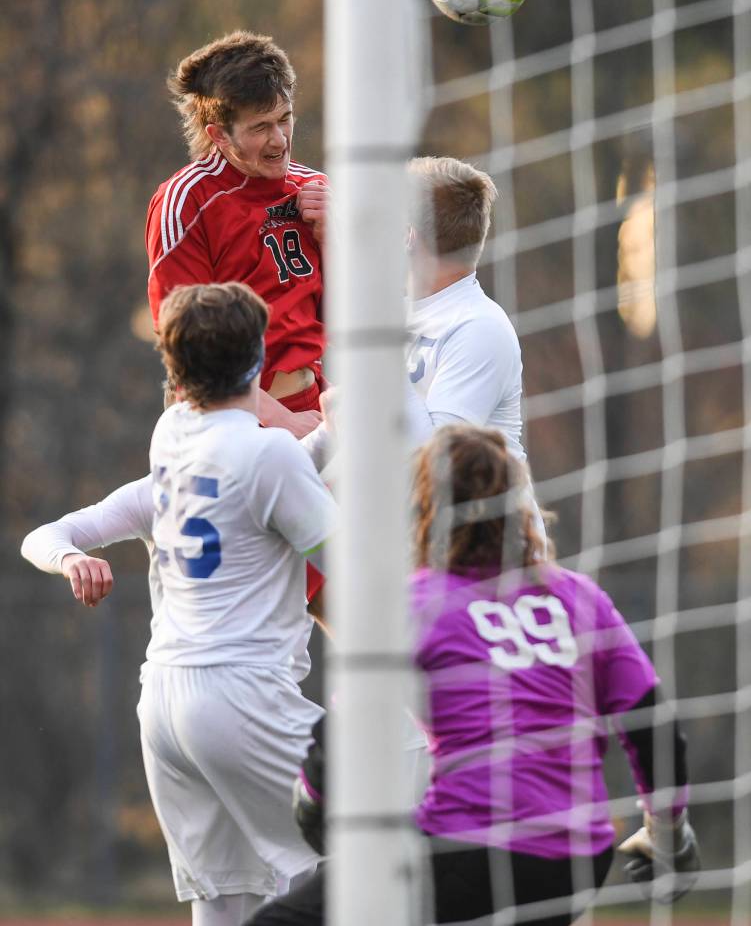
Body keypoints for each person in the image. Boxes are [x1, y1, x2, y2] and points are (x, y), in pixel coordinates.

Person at [248, 424, 700, 926]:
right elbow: (651, 723)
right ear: (519, 507)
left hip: (471, 848)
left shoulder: (414, 604)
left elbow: (344, 737)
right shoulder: (578, 597)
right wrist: (668, 833)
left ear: (424, 509)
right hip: (579, 859)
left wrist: (314, 801)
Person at [23, 282, 338, 926]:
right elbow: (352, 563)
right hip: (241, 696)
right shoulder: (267, 453)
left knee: (225, 903)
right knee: (368, 857)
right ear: (258, 360)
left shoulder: (171, 447)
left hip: (164, 706)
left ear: (173, 368)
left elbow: (46, 536)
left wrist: (72, 558)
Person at [146, 30, 329, 439]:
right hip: (228, 422)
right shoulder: (184, 203)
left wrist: (335, 241)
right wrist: (280, 421)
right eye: (260, 127)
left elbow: (348, 320)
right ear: (218, 135)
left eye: (285, 118)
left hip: (310, 411)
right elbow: (188, 348)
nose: (279, 140)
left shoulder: (315, 189)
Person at [404, 156, 526, 465]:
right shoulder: (398, 312)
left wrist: (379, 358)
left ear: (408, 235)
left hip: (488, 514)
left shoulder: (480, 328)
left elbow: (438, 465)